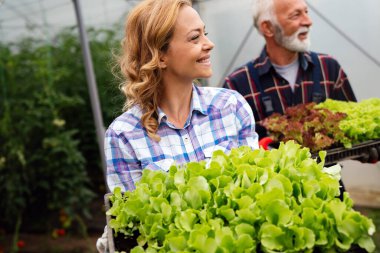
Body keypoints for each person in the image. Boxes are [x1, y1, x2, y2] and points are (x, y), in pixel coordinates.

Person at [97, 0, 259, 251]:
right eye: (195, 38)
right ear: (160, 56)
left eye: (205, 33)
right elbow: (135, 231)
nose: (209, 44)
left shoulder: (231, 107)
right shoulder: (123, 136)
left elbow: (257, 195)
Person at [223, 0, 357, 139]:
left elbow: (354, 125)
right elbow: (229, 147)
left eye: (306, 12)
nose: (308, 21)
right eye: (295, 15)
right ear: (268, 28)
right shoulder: (238, 85)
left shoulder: (328, 68)